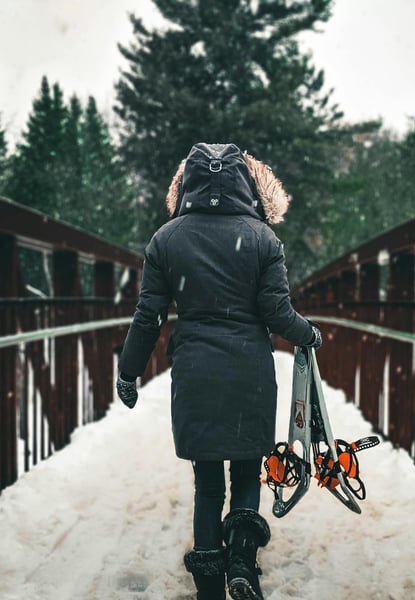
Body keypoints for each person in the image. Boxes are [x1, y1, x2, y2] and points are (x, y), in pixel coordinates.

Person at [116, 142, 321, 600]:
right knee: (247, 472)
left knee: (207, 484)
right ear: (245, 184)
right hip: (249, 371)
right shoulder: (262, 238)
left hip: (195, 374)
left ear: (186, 183)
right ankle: (243, 563)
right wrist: (307, 334)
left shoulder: (166, 239)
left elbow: (148, 315)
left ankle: (208, 584)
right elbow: (277, 312)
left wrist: (128, 371)